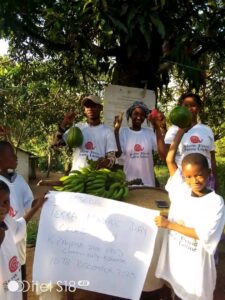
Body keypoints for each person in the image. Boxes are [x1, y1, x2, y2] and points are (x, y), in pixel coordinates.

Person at [154, 127, 225, 300]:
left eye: (199, 175)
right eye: (189, 176)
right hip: (179, 264)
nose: (194, 180)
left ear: (209, 173)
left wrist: (169, 224)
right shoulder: (181, 191)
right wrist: (181, 131)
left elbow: (203, 234)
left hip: (197, 270)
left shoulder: (215, 202)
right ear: (184, 177)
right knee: (177, 293)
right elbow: (170, 159)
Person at [0, 180, 47, 300]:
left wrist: (36, 207)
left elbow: (19, 226)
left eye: (6, 202)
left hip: (13, 284)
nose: (2, 208)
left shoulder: (7, 221)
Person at [0, 140, 34, 300]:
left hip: (19, 242)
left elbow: (30, 203)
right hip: (4, 248)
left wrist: (44, 202)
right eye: (12, 154)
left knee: (20, 278)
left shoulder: (19, 180)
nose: (16, 157)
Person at [164, 92, 218, 191]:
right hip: (184, 179)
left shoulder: (207, 130)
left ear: (198, 108)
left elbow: (212, 159)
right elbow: (166, 156)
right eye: (186, 105)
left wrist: (216, 182)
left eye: (193, 105)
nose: (189, 108)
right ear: (180, 107)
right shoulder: (174, 130)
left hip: (205, 180)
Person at [53, 94, 117, 171]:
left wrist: (106, 162)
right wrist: (64, 123)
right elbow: (56, 145)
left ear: (100, 108)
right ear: (84, 110)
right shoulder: (77, 128)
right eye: (87, 106)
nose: (90, 108)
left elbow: (112, 159)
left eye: (93, 105)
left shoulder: (107, 132)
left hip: (96, 178)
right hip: (76, 177)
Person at [114, 101, 166, 187]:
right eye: (136, 114)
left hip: (148, 182)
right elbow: (118, 154)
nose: (139, 117)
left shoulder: (149, 133)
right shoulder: (123, 132)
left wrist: (162, 129)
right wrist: (116, 130)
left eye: (142, 115)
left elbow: (161, 151)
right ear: (130, 115)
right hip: (129, 182)